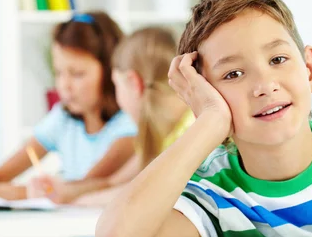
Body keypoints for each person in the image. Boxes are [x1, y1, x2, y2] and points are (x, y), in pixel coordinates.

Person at [94, 0, 312, 237]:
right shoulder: (214, 194)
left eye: (278, 59)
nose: (265, 85)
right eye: (233, 74)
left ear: (310, 70)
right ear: (203, 94)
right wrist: (210, 121)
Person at [0, 11, 137, 200]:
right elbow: (0, 175)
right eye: (59, 73)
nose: (64, 85)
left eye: (77, 74)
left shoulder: (129, 126)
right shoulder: (62, 118)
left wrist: (24, 192)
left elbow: (76, 191)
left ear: (111, 73)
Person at [30, 27, 195, 206]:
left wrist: (78, 200)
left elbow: (137, 194)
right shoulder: (163, 134)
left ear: (133, 82)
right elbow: (114, 183)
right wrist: (63, 190)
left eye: (116, 85)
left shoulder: (190, 133)